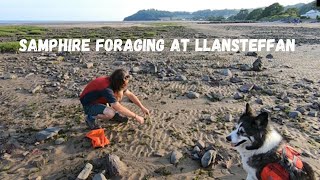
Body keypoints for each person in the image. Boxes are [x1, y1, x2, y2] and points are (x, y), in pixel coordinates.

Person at [80, 69, 150, 129]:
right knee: (110, 113)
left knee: (119, 94)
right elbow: (118, 107)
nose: (125, 86)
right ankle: (90, 117)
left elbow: (130, 95)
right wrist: (136, 116)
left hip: (99, 98)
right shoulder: (106, 88)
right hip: (89, 104)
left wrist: (142, 107)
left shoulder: (114, 81)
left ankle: (113, 115)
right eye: (124, 84)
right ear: (120, 83)